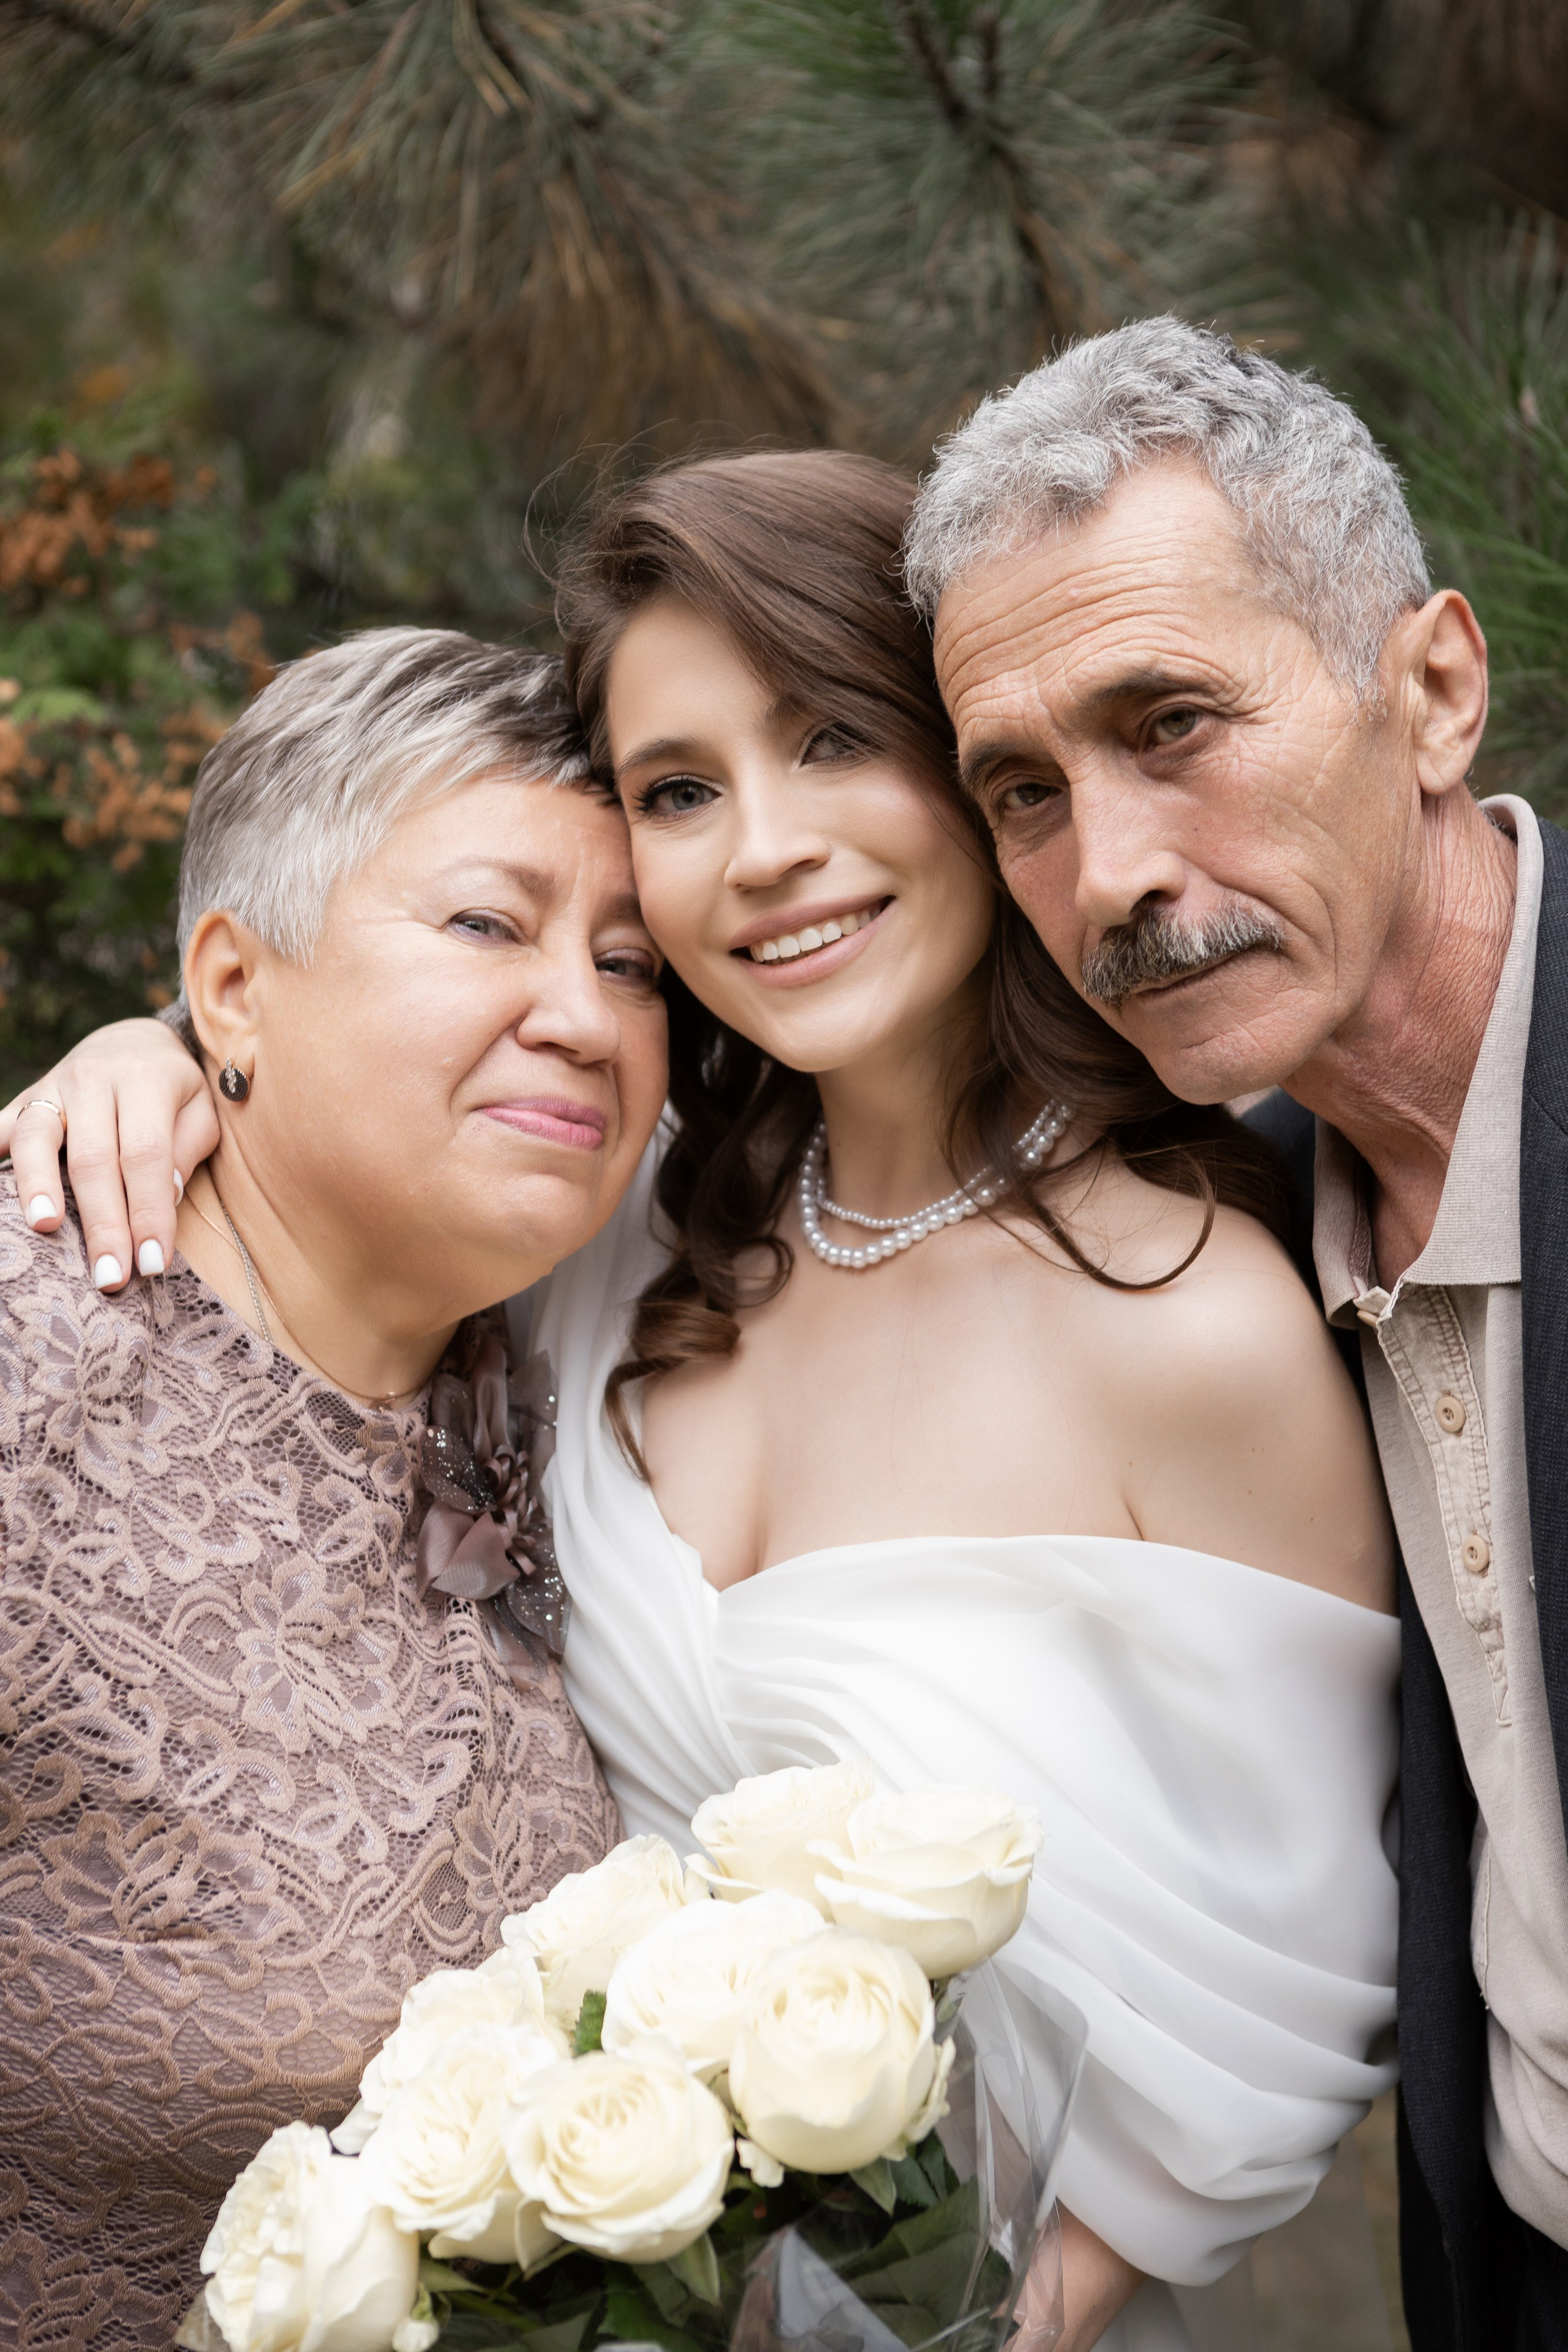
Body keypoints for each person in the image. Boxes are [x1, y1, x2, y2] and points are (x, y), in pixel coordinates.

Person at [4, 457, 1401, 2352]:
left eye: (836, 739)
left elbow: (1314, 1970)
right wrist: (159, 1056)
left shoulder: (1196, 1320)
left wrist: (1024, 2317)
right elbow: (374, 1095)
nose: (759, 850)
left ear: (983, 776)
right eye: (679, 791)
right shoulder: (612, 1235)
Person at [905, 315, 1568, 2350]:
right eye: (1021, 793)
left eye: (1171, 721)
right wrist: (197, 1068)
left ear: (1433, 688)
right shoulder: (1229, 1250)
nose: (1107, 876)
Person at [0, 628, 666, 2346]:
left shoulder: (550, 1335)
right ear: (230, 986)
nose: (585, 1017)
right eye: (486, 924)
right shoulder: (35, 1374)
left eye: (633, 960)